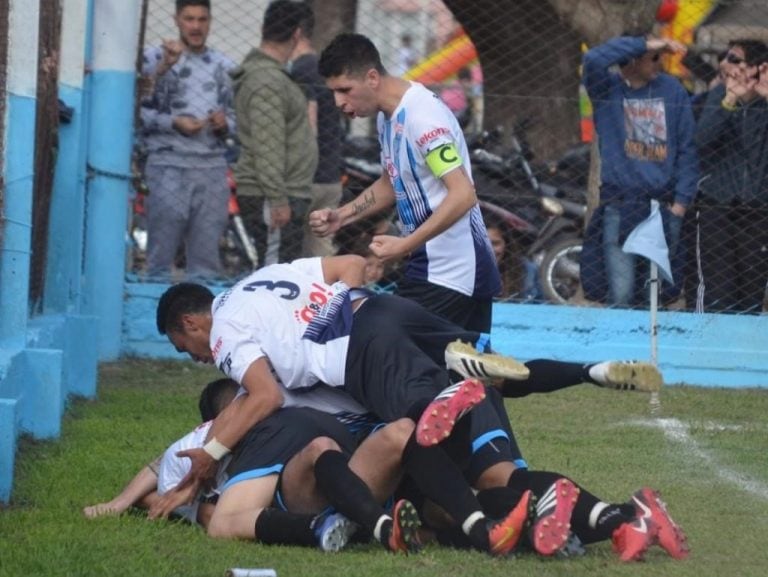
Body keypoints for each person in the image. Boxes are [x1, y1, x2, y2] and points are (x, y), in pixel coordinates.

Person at [310, 33, 501, 334]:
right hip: (432, 265)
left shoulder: (423, 118)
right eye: (333, 92)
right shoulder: (387, 115)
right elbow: (391, 183)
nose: (338, 102)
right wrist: (342, 217)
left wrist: (405, 244)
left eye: (345, 90)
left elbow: (463, 194)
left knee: (388, 354)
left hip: (453, 272)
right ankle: (591, 372)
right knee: (470, 374)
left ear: (372, 77)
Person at [581, 33, 699, 307]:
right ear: (633, 59)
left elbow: (687, 148)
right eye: (654, 57)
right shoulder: (607, 90)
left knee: (656, 295)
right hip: (620, 205)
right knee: (621, 292)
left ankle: (651, 350)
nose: (660, 62)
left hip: (663, 206)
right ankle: (622, 350)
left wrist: (681, 202)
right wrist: (645, 44)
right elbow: (593, 59)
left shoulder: (672, 90)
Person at [139, 0, 236, 280]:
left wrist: (224, 123)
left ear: (210, 22)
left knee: (206, 259)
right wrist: (173, 122)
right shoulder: (154, 59)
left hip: (212, 168)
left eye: (202, 19)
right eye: (189, 19)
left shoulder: (224, 66)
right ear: (177, 20)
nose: (195, 26)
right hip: (167, 164)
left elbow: (239, 117)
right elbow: (135, 111)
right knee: (160, 254)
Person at [231, 0, 318, 266]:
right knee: (271, 276)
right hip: (273, 198)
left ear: (263, 28)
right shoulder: (267, 80)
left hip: (277, 194)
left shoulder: (272, 77)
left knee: (277, 272)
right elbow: (267, 146)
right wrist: (278, 200)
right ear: (297, 34)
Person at [691, 39, 768, 313]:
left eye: (735, 59)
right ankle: (705, 347)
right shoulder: (719, 96)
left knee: (750, 291)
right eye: (726, 57)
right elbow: (701, 141)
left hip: (757, 208)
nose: (727, 63)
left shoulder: (764, 103)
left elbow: (756, 152)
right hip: (718, 204)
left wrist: (763, 98)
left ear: (757, 68)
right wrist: (730, 100)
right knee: (717, 290)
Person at [289, 4, 345, 258]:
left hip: (308, 177)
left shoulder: (301, 69)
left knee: (296, 254)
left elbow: (308, 126)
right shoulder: (325, 67)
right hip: (331, 174)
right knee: (322, 255)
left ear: (295, 33)